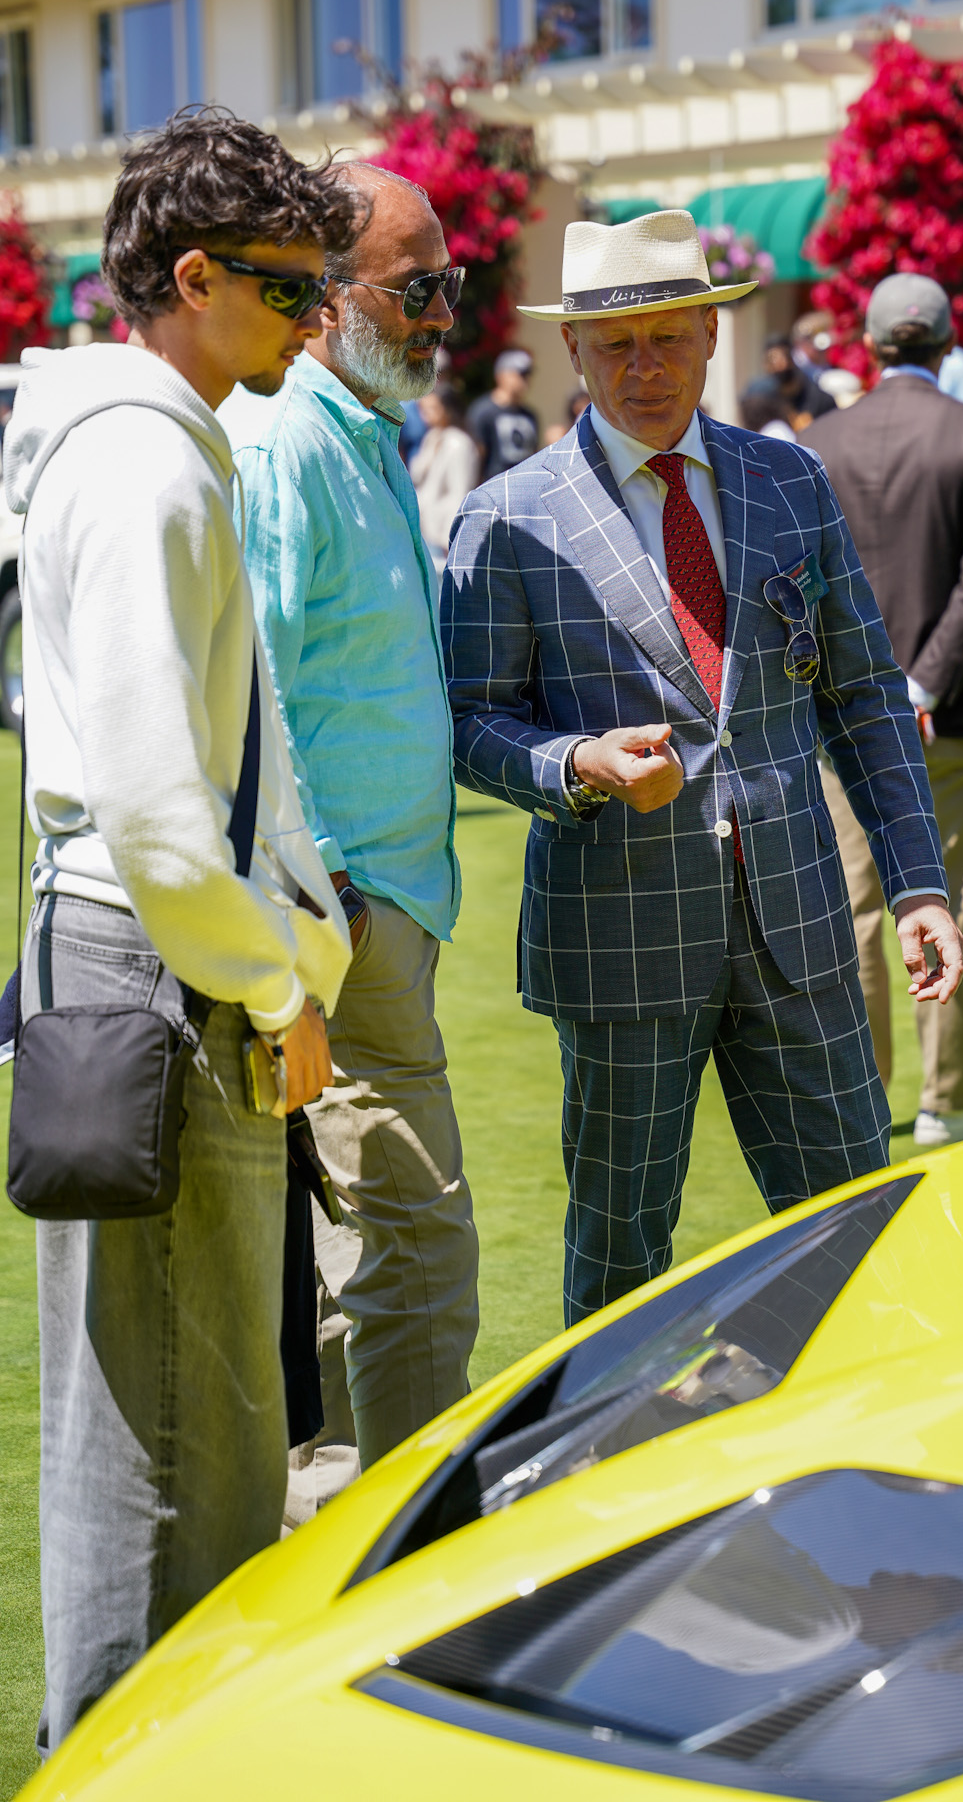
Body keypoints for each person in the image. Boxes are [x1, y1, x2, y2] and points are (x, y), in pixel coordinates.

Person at [444, 210, 963, 1324]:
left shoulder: (791, 480)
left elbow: (865, 693)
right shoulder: (508, 515)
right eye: (616, 345)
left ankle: (848, 1432)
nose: (645, 368)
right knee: (620, 1269)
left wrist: (917, 881)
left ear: (712, 337)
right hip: (620, 939)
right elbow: (470, 719)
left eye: (669, 339)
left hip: (798, 927)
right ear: (573, 349)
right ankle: (612, 1442)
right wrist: (575, 761)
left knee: (860, 1239)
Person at [5, 108, 355, 1749]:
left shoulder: (149, 442)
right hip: (159, 967)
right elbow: (156, 810)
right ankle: (128, 1761)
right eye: (289, 288)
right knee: (170, 1439)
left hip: (141, 955)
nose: (315, 319)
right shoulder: (144, 459)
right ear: (194, 277)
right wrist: (279, 985)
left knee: (188, 1423)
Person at [227, 162, 479, 1521]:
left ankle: (334, 1526)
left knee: (352, 1253)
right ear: (325, 298)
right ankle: (421, 1553)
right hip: (346, 914)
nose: (442, 313)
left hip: (378, 910)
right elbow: (250, 684)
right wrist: (329, 887)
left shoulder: (360, 428)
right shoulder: (288, 445)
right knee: (420, 1244)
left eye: (451, 283)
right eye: (416, 286)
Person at [806, 274, 963, 1145]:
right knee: (953, 896)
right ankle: (952, 1097)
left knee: (859, 911)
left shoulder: (818, 442)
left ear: (868, 345)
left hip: (845, 715)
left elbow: (806, 588)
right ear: (947, 345)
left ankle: (870, 1100)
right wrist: (922, 686)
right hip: (955, 710)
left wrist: (871, 689)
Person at [410, 380, 482, 557]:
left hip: (442, 534)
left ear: (447, 409)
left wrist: (448, 536)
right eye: (423, 410)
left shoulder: (458, 443)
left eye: (432, 409)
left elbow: (459, 492)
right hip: (425, 529)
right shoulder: (432, 436)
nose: (426, 415)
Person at [467, 345, 539, 476]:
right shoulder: (483, 411)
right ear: (501, 375)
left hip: (524, 482)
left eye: (528, 374)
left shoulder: (529, 415)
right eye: (521, 374)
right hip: (493, 482)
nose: (525, 380)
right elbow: (476, 455)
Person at [763, 330, 833, 428]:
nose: (779, 365)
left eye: (784, 357)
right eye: (771, 360)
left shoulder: (815, 396)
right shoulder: (765, 395)